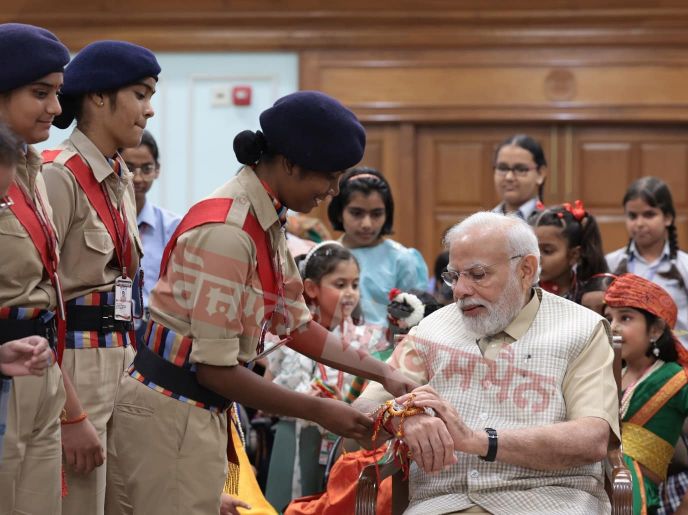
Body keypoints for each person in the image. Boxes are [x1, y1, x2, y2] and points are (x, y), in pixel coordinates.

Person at [109, 91, 415, 515]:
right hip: (169, 413)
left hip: (193, 411)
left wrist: (385, 372)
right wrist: (323, 411)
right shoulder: (228, 232)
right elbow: (217, 371)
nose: (332, 192)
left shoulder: (265, 219)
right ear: (289, 163)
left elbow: (296, 325)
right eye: (327, 177)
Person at [353, 211, 619, 515]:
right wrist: (400, 417)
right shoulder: (430, 331)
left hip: (549, 501)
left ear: (526, 269)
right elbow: (363, 410)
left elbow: (592, 438)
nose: (460, 290)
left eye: (477, 275)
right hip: (442, 504)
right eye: (454, 276)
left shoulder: (582, 330)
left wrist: (479, 441)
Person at [41, 39, 160, 515]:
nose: (148, 111)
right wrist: (72, 413)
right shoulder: (59, 176)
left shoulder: (119, 177)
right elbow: (43, 304)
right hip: (75, 362)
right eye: (139, 94)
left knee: (125, 503)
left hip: (121, 352)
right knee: (78, 502)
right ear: (96, 98)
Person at [0, 23, 85, 515]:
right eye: (40, 93)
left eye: (57, 92)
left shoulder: (34, 170)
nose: (56, 108)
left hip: (39, 369)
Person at [265, 241, 389, 509]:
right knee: (287, 501)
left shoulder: (366, 339)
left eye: (355, 285)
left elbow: (375, 392)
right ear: (311, 288)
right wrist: (305, 399)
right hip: (296, 433)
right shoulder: (286, 337)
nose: (350, 293)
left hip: (346, 439)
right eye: (340, 284)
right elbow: (267, 391)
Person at [604, 273, 688, 515]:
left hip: (636, 495)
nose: (613, 327)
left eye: (625, 318)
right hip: (595, 488)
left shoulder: (679, 379)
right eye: (608, 317)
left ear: (655, 330)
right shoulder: (606, 373)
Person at [606, 177, 688, 351]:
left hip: (677, 368)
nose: (640, 223)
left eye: (649, 214)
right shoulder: (611, 263)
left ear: (668, 218)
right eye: (632, 216)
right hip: (625, 367)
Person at [328, 167, 428, 326]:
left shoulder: (401, 259)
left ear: (387, 214)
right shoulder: (326, 255)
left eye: (376, 214)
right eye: (356, 213)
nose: (367, 224)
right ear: (340, 212)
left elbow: (415, 319)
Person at [120, 130, 181, 344]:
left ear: (157, 170)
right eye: (129, 168)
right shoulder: (105, 222)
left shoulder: (173, 226)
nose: (137, 178)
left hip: (156, 328)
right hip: (114, 327)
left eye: (146, 169)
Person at [531, 200, 608, 301]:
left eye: (547, 251)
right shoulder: (524, 294)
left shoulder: (590, 296)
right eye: (532, 249)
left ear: (574, 255)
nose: (537, 258)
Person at [491, 134, 547, 222]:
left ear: (540, 174)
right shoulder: (484, 223)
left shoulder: (550, 225)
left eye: (520, 169)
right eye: (503, 168)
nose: (509, 177)